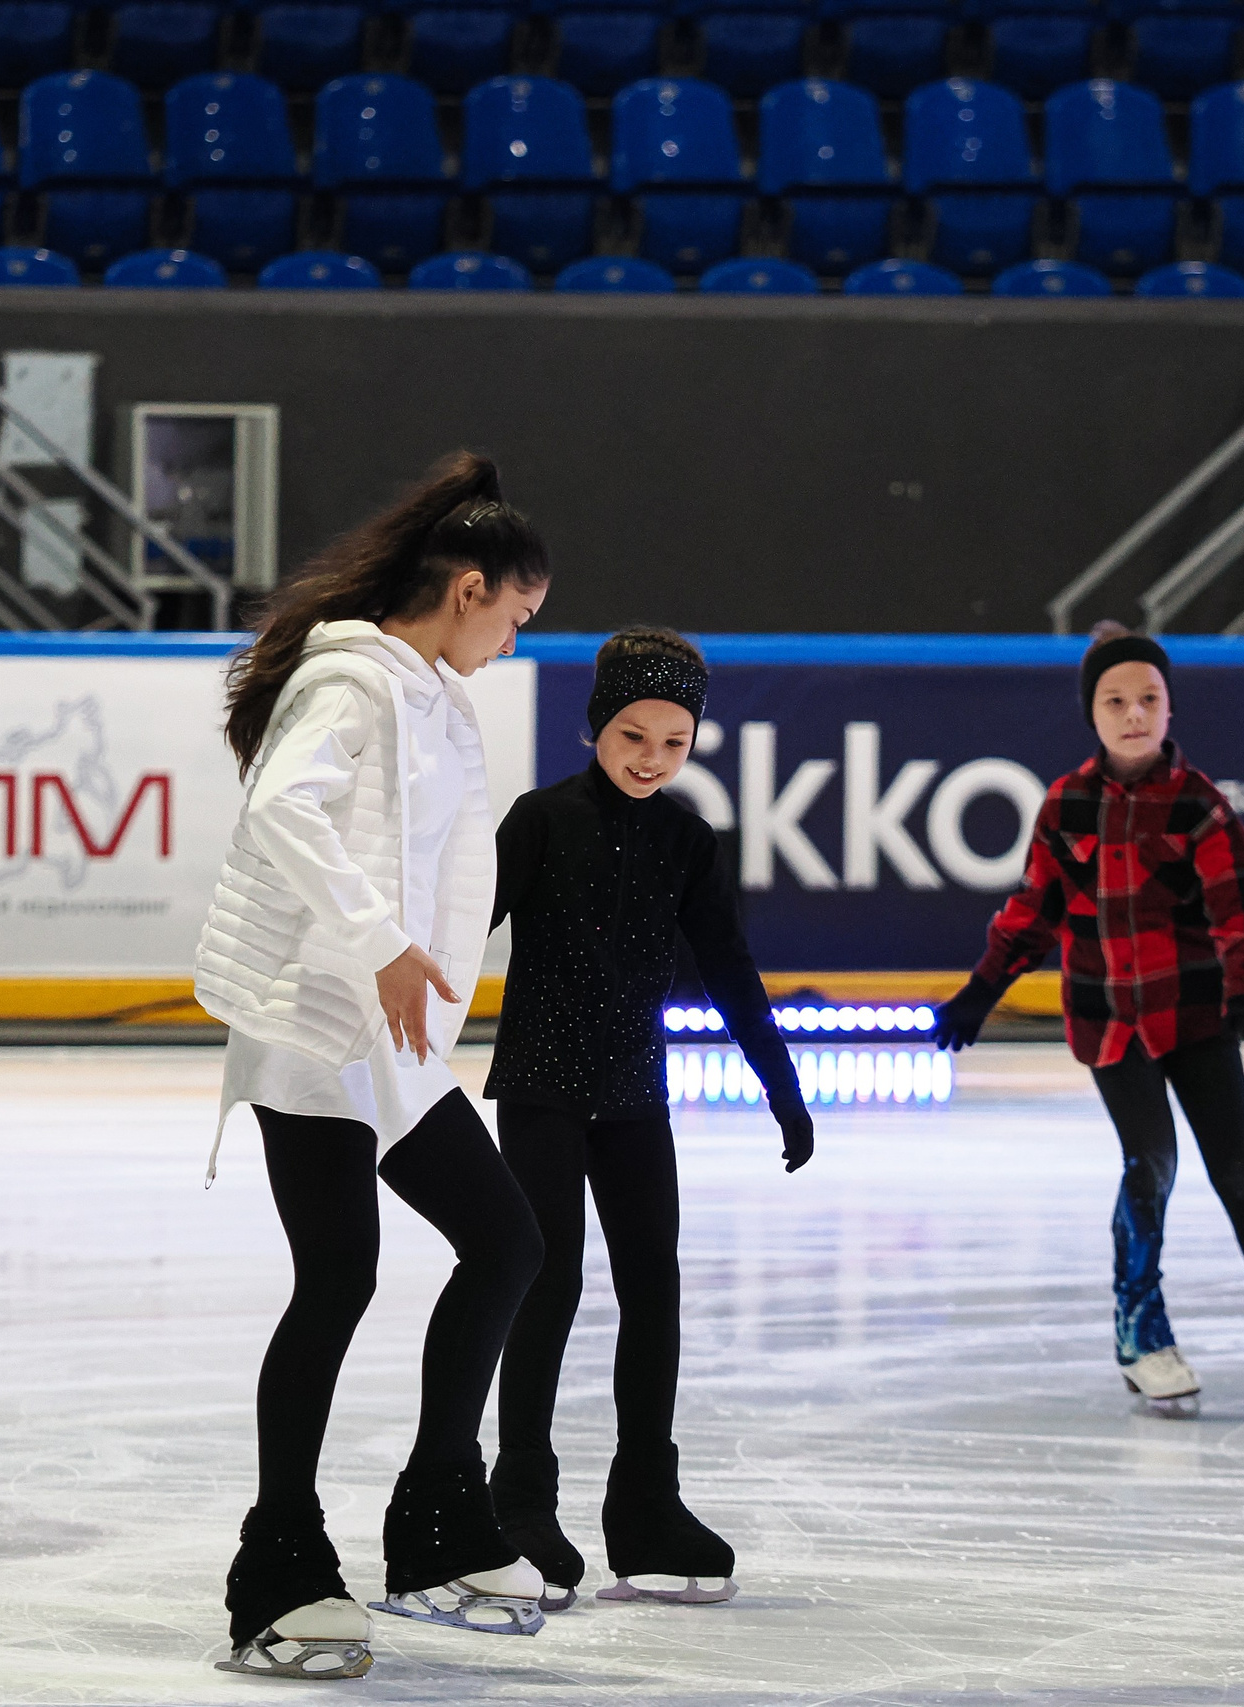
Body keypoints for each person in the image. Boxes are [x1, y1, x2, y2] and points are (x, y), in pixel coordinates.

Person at [192, 451, 553, 1682]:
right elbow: (283, 814)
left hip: (388, 1041)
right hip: (311, 1030)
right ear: (466, 588)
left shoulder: (427, 692)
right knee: (338, 1279)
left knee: (505, 1242)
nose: (512, 640)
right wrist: (385, 944)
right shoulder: (352, 685)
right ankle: (278, 1567)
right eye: (513, 615)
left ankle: (436, 1525)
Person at [931, 622, 1244, 1420]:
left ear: (1169, 707)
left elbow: (1241, 906)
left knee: (1240, 1173)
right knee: (1148, 1165)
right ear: (1092, 713)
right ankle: (1141, 1335)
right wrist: (982, 990)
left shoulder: (1199, 806)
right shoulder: (1068, 802)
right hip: (1109, 1019)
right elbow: (1035, 909)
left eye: (1148, 699)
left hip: (1195, 1015)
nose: (1133, 714)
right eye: (1115, 700)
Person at [486, 627, 811, 1611]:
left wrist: (778, 1082)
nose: (650, 758)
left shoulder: (684, 839)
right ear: (595, 728)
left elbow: (727, 967)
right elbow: (459, 940)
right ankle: (519, 1504)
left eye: (673, 743)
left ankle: (644, 1506)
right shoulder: (539, 821)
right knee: (546, 1285)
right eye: (634, 734)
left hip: (632, 1096)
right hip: (541, 1088)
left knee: (653, 1294)